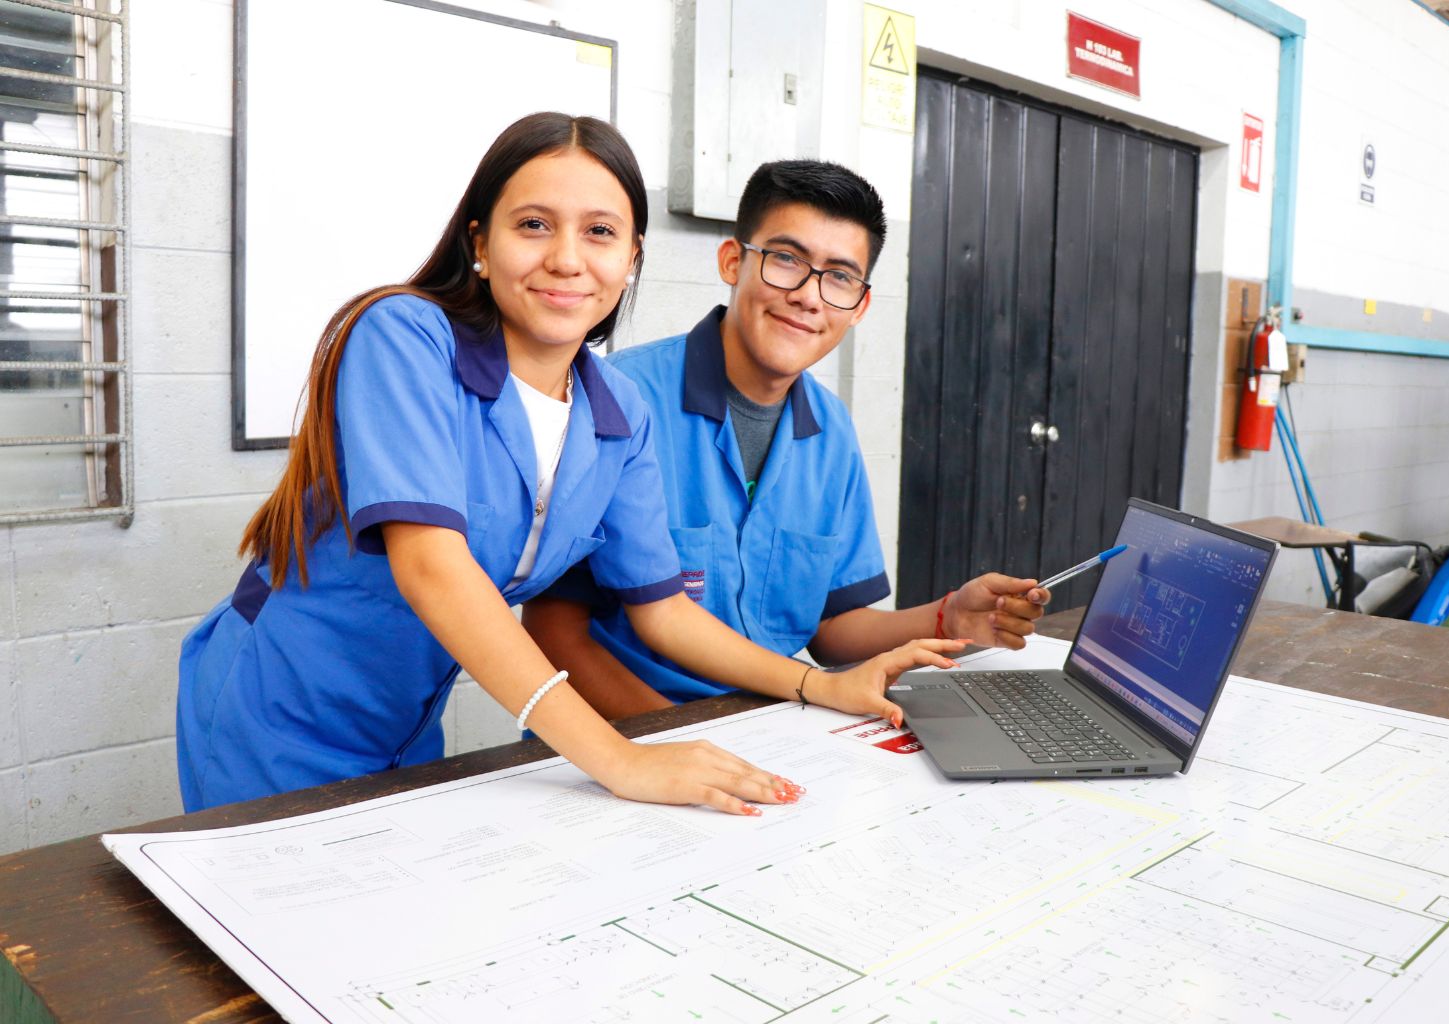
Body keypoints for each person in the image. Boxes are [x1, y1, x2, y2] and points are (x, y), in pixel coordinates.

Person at [176, 115, 963, 815]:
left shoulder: (618, 413)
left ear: (631, 260)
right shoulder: (403, 337)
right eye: (532, 225)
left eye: (598, 233)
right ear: (480, 243)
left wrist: (819, 684)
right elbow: (432, 569)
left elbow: (663, 610)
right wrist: (620, 757)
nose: (565, 259)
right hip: (277, 706)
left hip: (409, 716)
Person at [523, 160, 1050, 720]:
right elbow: (555, 630)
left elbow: (829, 628)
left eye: (841, 277)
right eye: (786, 260)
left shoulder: (831, 431)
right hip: (629, 737)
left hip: (776, 730)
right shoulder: (621, 398)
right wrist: (676, 743)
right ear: (733, 261)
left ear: (860, 305)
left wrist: (947, 616)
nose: (808, 295)